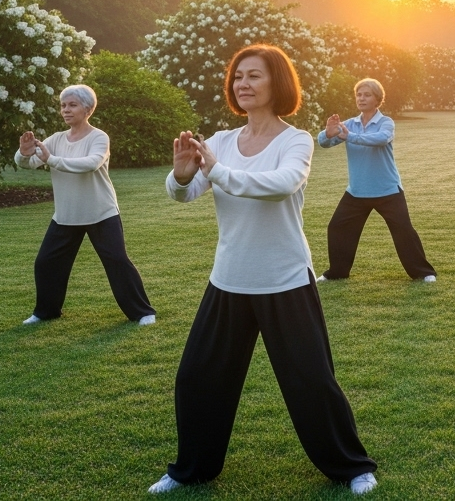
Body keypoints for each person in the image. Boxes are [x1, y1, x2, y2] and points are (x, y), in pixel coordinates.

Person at [148, 44, 377, 496]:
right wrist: (179, 174)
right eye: (238, 76)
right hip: (229, 278)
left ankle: (351, 468)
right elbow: (185, 193)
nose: (243, 84)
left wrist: (217, 170)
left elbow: (280, 185)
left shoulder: (296, 140)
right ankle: (191, 469)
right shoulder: (219, 141)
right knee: (197, 377)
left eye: (254, 76)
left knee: (311, 380)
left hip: (284, 278)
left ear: (278, 83)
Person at [14, 84, 155, 327]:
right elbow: (29, 163)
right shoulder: (56, 139)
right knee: (46, 262)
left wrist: (52, 160)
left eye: (72, 105)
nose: (65, 110)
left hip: (101, 212)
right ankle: (46, 311)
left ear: (87, 109)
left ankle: (143, 312)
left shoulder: (99, 137)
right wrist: (23, 153)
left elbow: (91, 163)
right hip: (66, 215)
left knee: (117, 262)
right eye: (63, 105)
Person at [315, 78, 437, 283]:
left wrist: (349, 137)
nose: (361, 98)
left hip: (387, 190)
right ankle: (337, 272)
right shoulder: (350, 124)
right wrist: (327, 133)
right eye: (359, 95)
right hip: (357, 191)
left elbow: (380, 139)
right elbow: (324, 142)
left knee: (404, 232)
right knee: (337, 227)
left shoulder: (385, 122)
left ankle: (424, 273)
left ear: (377, 99)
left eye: (367, 95)